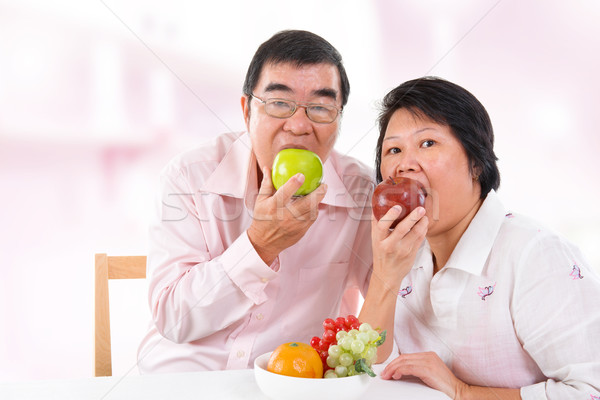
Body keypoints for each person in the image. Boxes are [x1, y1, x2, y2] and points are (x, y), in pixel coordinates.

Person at [137, 30, 374, 373]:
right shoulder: (188, 177)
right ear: (247, 110)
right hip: (185, 380)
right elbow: (174, 319)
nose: (298, 125)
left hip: (292, 381)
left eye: (321, 108)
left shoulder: (361, 192)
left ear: (338, 119)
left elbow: (395, 303)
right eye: (279, 103)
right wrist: (260, 244)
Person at [359, 77, 600, 399]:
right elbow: (363, 366)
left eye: (427, 143)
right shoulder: (405, 252)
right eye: (393, 150)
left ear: (476, 162)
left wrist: (463, 392)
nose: (405, 164)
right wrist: (386, 275)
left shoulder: (535, 254)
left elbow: (590, 389)